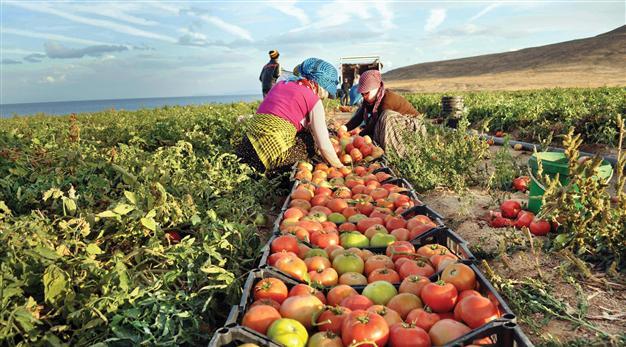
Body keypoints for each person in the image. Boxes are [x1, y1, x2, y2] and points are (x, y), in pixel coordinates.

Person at [237, 57, 343, 173]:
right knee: (310, 140)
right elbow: (323, 145)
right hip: (270, 159)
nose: (324, 97)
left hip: (246, 151)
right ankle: (277, 173)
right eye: (326, 93)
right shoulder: (313, 100)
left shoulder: (280, 85)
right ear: (320, 86)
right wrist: (340, 168)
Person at [344, 69, 424, 155]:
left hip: (412, 126)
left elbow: (375, 123)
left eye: (366, 93)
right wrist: (345, 128)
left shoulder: (387, 99)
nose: (364, 96)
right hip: (397, 124)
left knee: (386, 116)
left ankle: (398, 153)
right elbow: (359, 117)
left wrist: (358, 137)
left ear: (376, 88)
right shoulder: (370, 99)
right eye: (362, 94)